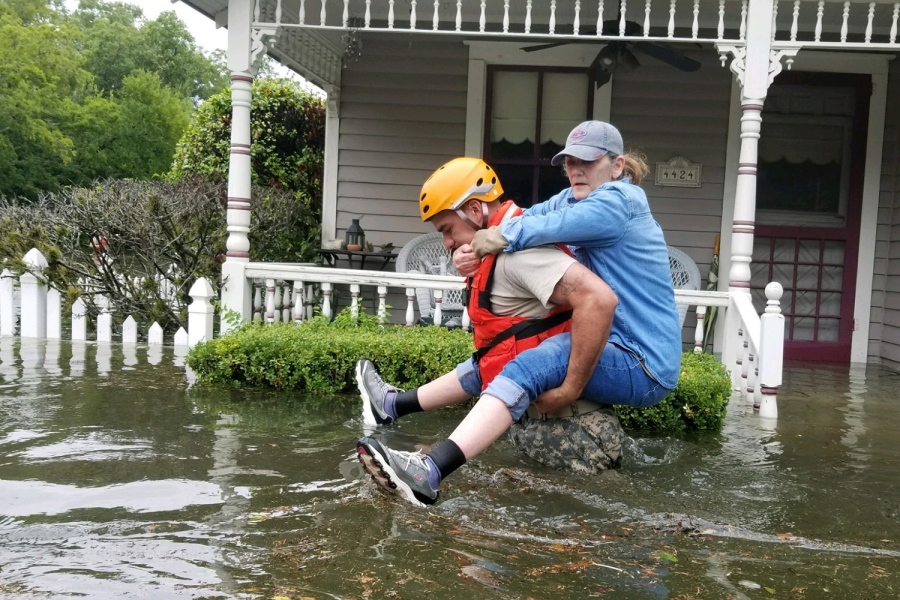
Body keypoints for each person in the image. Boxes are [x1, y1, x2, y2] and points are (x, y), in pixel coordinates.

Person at [357, 121, 681, 506]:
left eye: (589, 161)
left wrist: (570, 389)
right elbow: (528, 216)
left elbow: (550, 229)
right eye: (569, 162)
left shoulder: (619, 201)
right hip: (616, 344)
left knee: (530, 364)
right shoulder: (574, 198)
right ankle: (392, 405)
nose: (576, 170)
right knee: (506, 351)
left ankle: (431, 471)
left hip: (643, 362)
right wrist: (473, 246)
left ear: (616, 166)